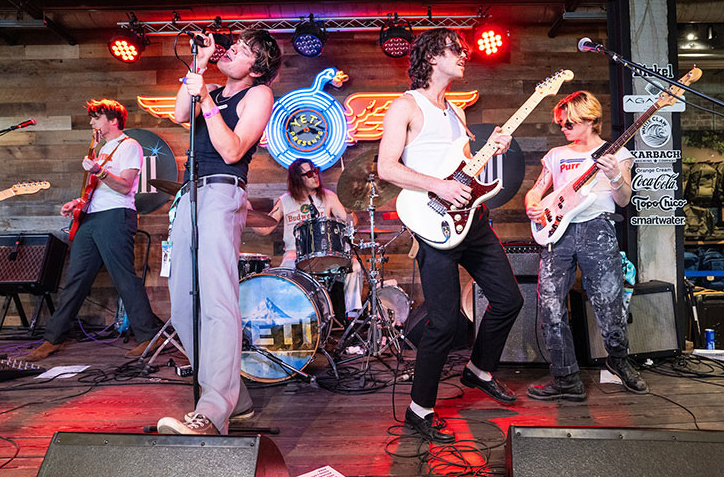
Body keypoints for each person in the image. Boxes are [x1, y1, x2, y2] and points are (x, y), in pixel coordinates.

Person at [377, 28, 524, 443]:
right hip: (433, 223)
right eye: (455, 50)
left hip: (472, 221)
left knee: (509, 300)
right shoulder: (406, 106)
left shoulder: (456, 110)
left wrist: (492, 150)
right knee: (442, 323)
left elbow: (464, 171)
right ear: (431, 57)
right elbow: (387, 167)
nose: (463, 55)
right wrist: (437, 187)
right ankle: (418, 411)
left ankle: (478, 370)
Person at [156, 27, 282, 435]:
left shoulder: (259, 95)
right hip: (189, 195)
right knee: (182, 306)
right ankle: (236, 400)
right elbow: (180, 114)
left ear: (257, 68)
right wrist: (198, 64)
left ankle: (212, 412)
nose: (232, 51)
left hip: (222, 192)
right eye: (235, 45)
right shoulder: (209, 88)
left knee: (217, 303)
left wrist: (207, 100)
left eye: (243, 50)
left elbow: (232, 150)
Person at [524, 90, 648, 401]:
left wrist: (615, 176)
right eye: (561, 124)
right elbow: (537, 190)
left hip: (598, 228)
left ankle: (618, 359)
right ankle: (566, 378)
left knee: (609, 303)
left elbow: (624, 200)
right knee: (550, 305)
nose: (563, 128)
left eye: (569, 123)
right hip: (558, 232)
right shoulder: (556, 155)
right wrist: (533, 205)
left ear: (590, 120)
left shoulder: (616, 154)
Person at [25, 99, 162, 362]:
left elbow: (125, 186)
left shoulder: (129, 145)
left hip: (116, 215)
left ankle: (147, 336)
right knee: (76, 278)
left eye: (96, 118)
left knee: (124, 278)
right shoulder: (102, 149)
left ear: (113, 121)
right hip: (92, 216)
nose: (91, 122)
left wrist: (99, 171)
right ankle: (53, 339)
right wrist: (78, 203)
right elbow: (97, 190)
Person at [252, 158, 363, 321]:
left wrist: (348, 210)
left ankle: (352, 315)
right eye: (309, 174)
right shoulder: (285, 200)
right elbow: (264, 229)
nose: (315, 176)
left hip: (325, 253)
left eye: (315, 171)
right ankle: (291, 318)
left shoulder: (329, 197)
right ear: (298, 178)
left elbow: (351, 224)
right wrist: (247, 212)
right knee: (288, 265)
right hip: (295, 253)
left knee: (355, 265)